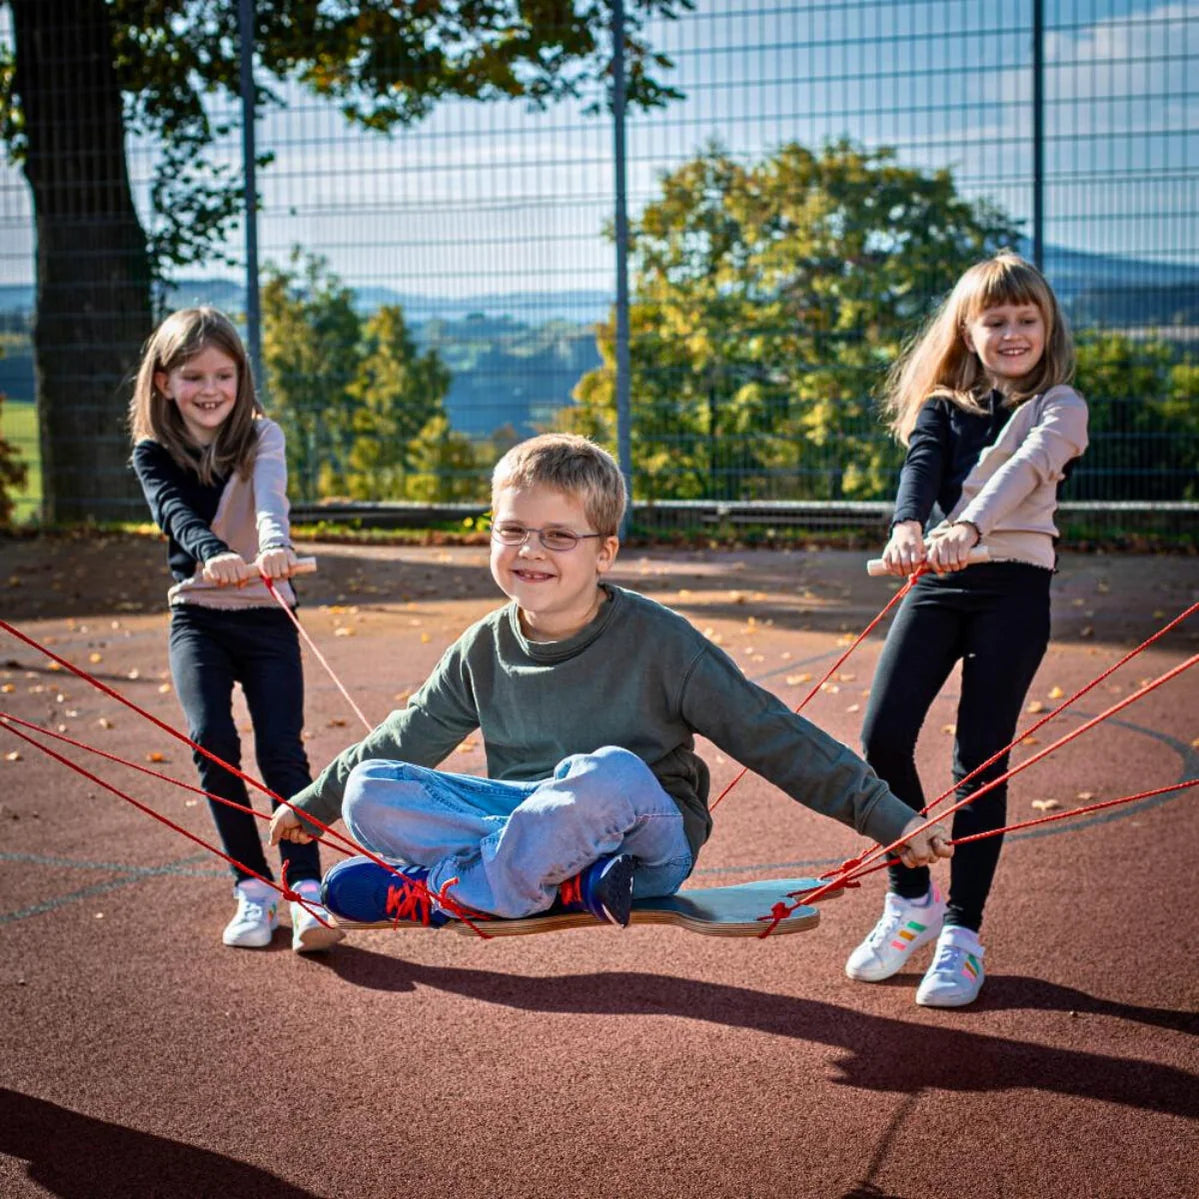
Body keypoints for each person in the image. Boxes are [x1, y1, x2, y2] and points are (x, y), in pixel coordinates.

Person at [269, 433, 951, 932]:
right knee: (371, 788)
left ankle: (450, 892)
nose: (530, 550)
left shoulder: (661, 642)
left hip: (641, 846)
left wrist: (885, 816)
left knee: (609, 773)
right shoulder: (481, 648)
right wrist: (315, 804)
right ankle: (540, 884)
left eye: (558, 536)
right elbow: (407, 735)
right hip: (529, 829)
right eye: (512, 530)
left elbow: (767, 731)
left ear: (605, 552)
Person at [844, 252, 1088, 1007]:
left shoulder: (1060, 405)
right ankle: (911, 897)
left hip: (1012, 586)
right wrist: (907, 527)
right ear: (968, 331)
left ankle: (962, 932)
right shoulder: (944, 405)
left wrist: (969, 525)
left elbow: (1024, 469)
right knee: (882, 736)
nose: (1012, 332)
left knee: (978, 757)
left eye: (1026, 319)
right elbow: (919, 469)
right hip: (938, 583)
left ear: (1046, 327)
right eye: (996, 320)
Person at [130, 306, 342, 953]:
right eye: (194, 376)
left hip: (268, 614)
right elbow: (174, 513)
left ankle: (304, 889)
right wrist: (210, 553)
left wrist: (274, 546)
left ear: (241, 377)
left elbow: (271, 501)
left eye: (223, 374)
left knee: (282, 750)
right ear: (164, 381)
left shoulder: (261, 435)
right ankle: (252, 887)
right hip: (198, 615)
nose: (211, 389)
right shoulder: (152, 453)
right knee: (211, 739)